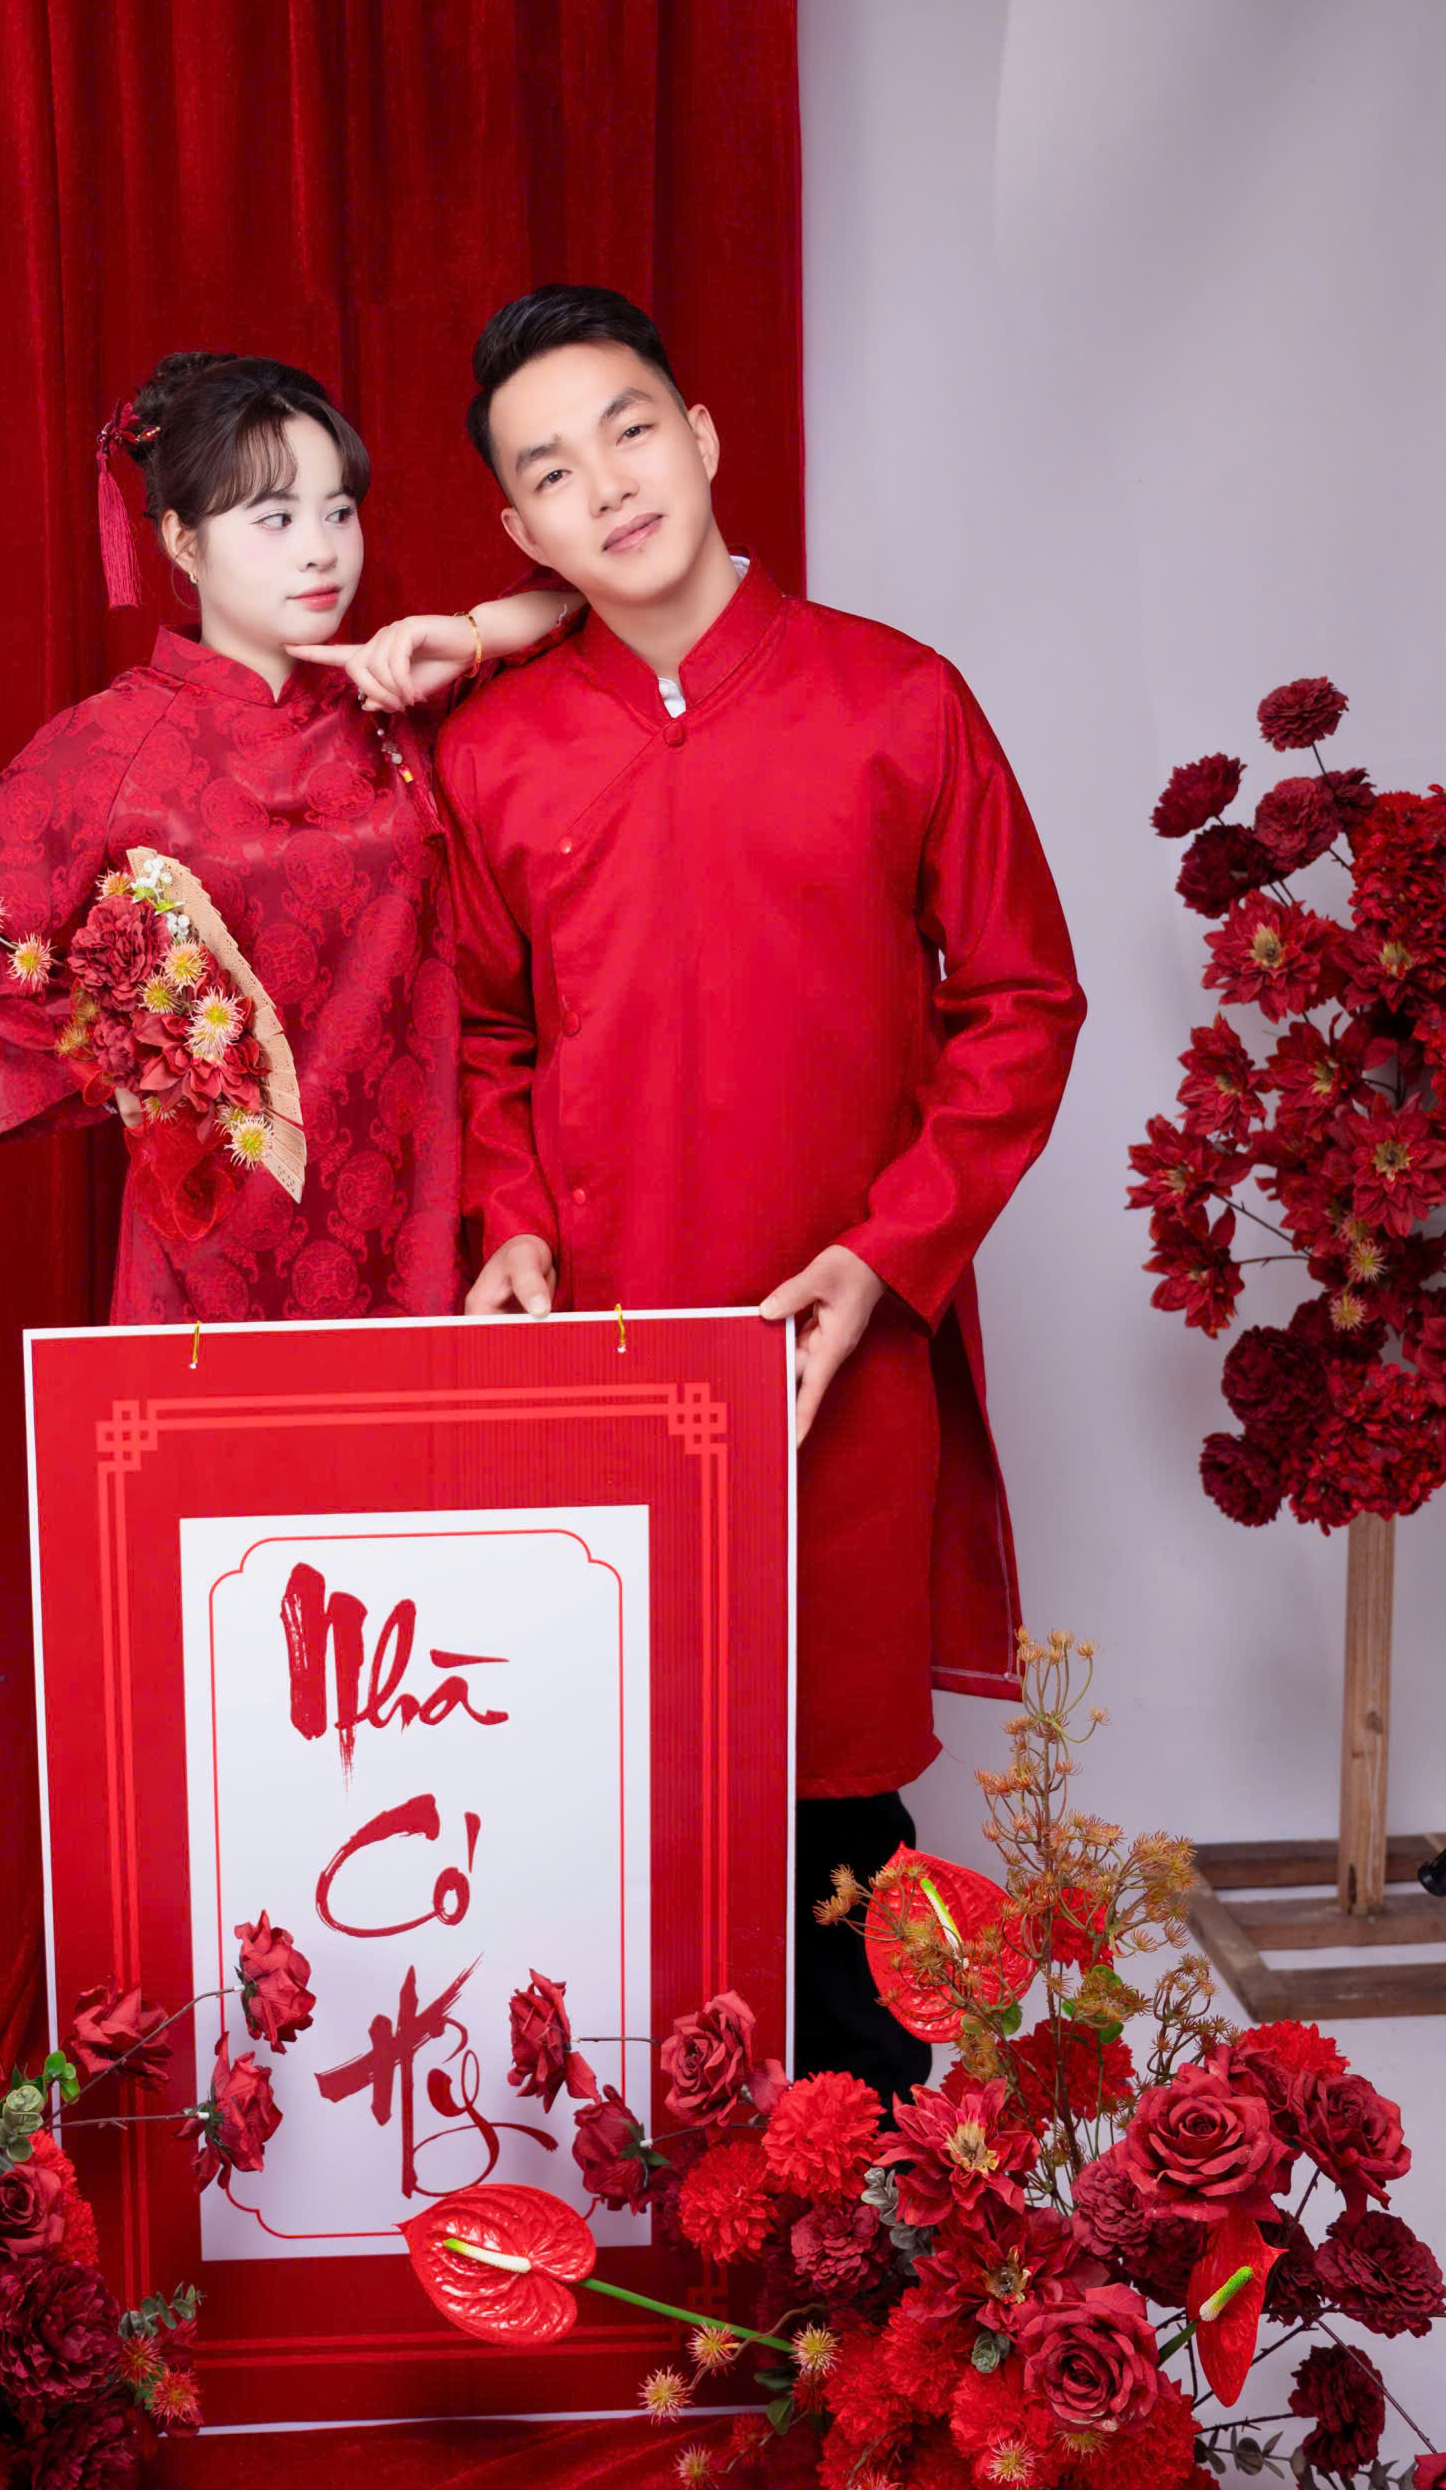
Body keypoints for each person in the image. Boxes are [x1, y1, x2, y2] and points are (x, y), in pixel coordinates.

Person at [436, 286, 1086, 2099]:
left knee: (829, 1816)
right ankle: (638, 2200)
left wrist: (886, 1254)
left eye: (630, 429)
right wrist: (510, 1217)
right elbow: (485, 1031)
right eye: (549, 471)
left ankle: (870, 2217)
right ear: (520, 530)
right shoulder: (493, 752)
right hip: (599, 1355)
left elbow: (1021, 1000)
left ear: (704, 436)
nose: (606, 486)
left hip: (832, 1350)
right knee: (601, 1788)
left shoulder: (896, 700)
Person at [0, 351, 568, 1324]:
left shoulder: (396, 700)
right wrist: (125, 1061)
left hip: (422, 1217)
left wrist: (466, 636)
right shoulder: (117, 742)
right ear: (182, 540)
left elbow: (590, 600)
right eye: (275, 518)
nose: (321, 550)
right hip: (215, 1240)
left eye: (338, 511)